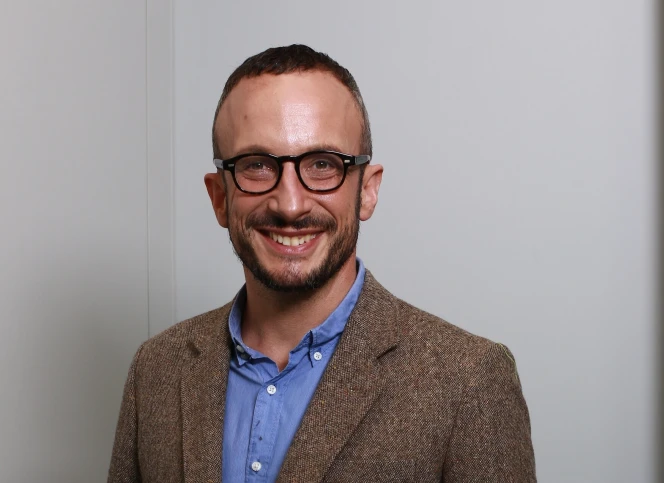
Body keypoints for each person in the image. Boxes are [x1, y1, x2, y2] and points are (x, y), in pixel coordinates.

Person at [108, 44, 536, 483]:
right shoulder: (156, 369)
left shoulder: (468, 382)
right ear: (220, 197)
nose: (290, 204)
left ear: (367, 190)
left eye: (322, 165)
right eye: (256, 166)